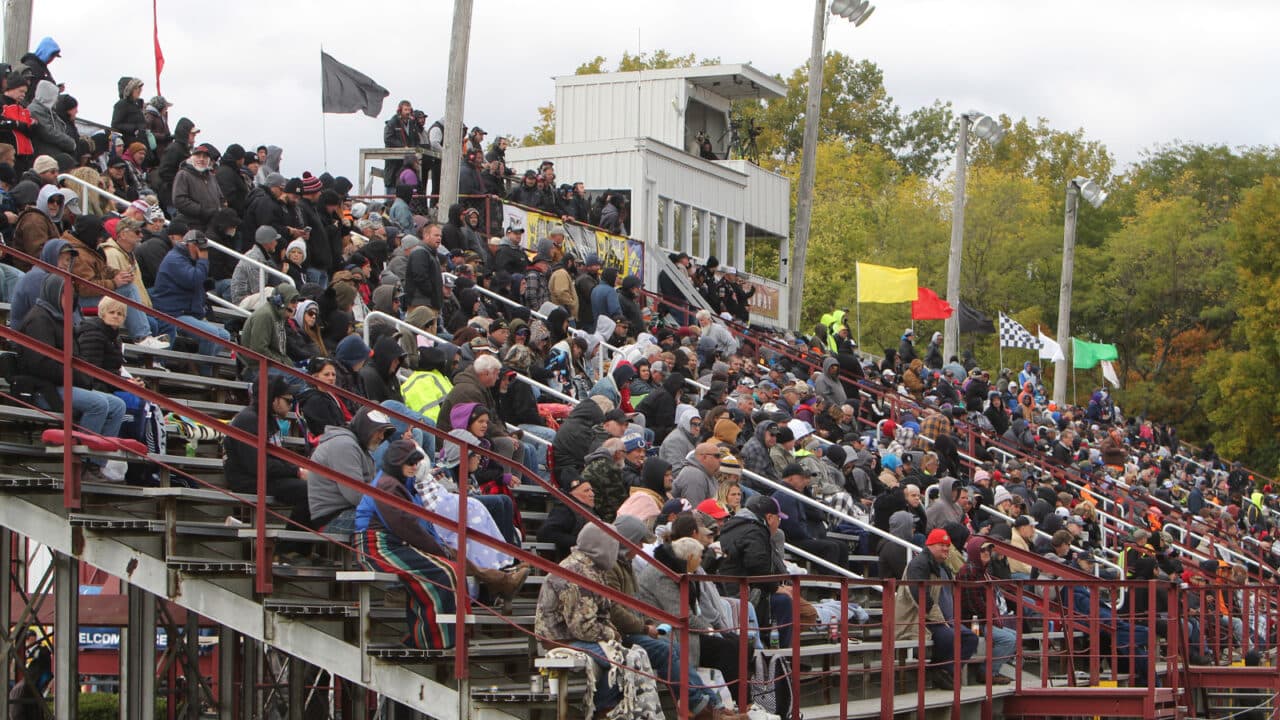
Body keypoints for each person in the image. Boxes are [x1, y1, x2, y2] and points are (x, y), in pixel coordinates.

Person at [14, 275, 127, 482]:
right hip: (44, 388)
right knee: (99, 404)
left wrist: (80, 376)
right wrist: (77, 376)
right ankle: (81, 464)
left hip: (65, 384)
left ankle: (96, 464)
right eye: (65, 293)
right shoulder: (39, 319)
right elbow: (39, 364)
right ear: (54, 293)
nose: (70, 298)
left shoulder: (64, 319)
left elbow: (78, 357)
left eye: (71, 294)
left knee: (118, 405)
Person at [534, 523, 627, 718]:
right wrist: (611, 634)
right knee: (623, 660)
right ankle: (604, 710)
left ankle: (606, 707)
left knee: (626, 655)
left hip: (574, 635)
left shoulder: (589, 567)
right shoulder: (579, 572)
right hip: (560, 638)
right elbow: (583, 627)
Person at [224, 376, 311, 531]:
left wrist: (297, 470)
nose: (291, 406)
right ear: (273, 399)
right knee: (309, 491)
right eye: (288, 401)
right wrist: (296, 471)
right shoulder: (249, 420)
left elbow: (276, 458)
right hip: (250, 480)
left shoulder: (267, 418)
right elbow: (258, 465)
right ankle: (289, 548)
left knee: (318, 487)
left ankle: (298, 547)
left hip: (265, 477)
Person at [904, 527, 977, 690]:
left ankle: (943, 671)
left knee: (971, 638)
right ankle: (938, 670)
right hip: (922, 619)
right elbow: (919, 595)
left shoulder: (943, 565)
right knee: (949, 636)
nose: (945, 549)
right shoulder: (919, 564)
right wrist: (939, 618)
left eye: (947, 545)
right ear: (930, 545)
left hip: (943, 619)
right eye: (941, 545)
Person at [307, 407, 396, 535]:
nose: (382, 437)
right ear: (367, 427)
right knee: (395, 523)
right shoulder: (345, 445)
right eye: (379, 431)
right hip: (334, 517)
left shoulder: (357, 445)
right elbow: (356, 495)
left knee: (401, 520)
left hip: (348, 512)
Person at [149, 230, 231, 358]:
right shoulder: (175, 259)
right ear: (190, 245)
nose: (202, 252)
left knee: (225, 336)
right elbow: (194, 280)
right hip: (173, 313)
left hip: (186, 313)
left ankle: (200, 366)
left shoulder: (190, 259)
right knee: (212, 334)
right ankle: (205, 373)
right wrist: (203, 261)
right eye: (199, 248)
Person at [956, 537, 1016, 684]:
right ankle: (988, 672)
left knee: (1015, 636)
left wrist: (994, 618)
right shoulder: (968, 572)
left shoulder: (982, 571)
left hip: (983, 620)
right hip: (973, 622)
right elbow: (974, 604)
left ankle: (992, 670)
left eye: (988, 549)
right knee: (1009, 639)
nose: (986, 552)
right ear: (974, 552)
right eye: (982, 550)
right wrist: (993, 619)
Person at [230, 226, 282, 307]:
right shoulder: (254, 258)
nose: (276, 243)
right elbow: (257, 290)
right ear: (268, 242)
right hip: (242, 301)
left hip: (252, 298)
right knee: (270, 291)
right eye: (274, 240)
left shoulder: (261, 255)